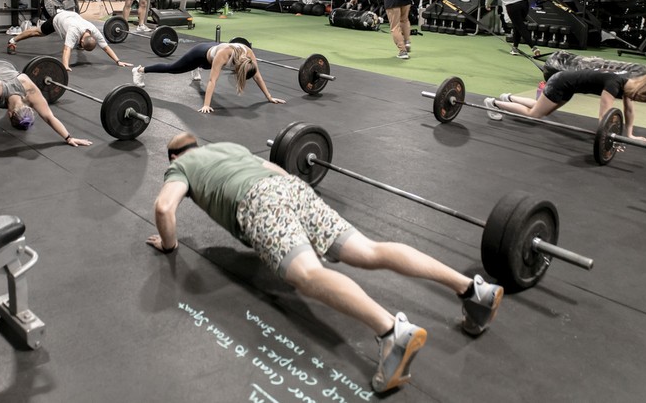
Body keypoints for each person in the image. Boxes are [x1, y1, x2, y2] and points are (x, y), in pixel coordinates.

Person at [147, 134, 503, 394]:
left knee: (307, 275)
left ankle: (391, 333)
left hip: (259, 202)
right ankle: (473, 289)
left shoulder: (179, 166)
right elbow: (277, 169)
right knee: (369, 250)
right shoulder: (229, 148)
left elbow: (165, 208)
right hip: (292, 189)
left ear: (173, 155)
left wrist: (169, 243)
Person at [0, 58, 92, 165]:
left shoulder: (29, 87)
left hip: (7, 65)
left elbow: (48, 116)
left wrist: (69, 137)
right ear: (8, 114)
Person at [485, 70, 646, 143]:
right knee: (535, 114)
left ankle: (508, 97)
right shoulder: (614, 85)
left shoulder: (628, 86)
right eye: (639, 99)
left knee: (542, 108)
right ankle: (494, 104)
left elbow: (629, 110)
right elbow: (604, 114)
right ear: (638, 92)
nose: (635, 101)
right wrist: (607, 136)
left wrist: (630, 135)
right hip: (561, 83)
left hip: (568, 86)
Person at [131, 40, 285, 113]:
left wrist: (269, 97)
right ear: (239, 68)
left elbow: (257, 76)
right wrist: (206, 104)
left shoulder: (249, 56)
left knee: (209, 68)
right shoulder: (224, 55)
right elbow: (212, 80)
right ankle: (140, 70)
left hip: (210, 59)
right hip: (200, 55)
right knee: (173, 69)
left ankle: (197, 70)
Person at [6, 8, 132, 70]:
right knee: (38, 32)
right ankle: (13, 41)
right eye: (81, 45)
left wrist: (118, 61)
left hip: (72, 16)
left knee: (72, 44)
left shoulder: (94, 31)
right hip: (58, 19)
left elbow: (105, 47)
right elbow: (66, 50)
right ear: (82, 41)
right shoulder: (73, 32)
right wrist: (65, 66)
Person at [484, 0, 549, 58]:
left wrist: (487, 4)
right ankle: (515, 47)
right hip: (524, 3)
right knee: (517, 25)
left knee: (520, 26)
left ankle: (533, 47)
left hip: (512, 6)